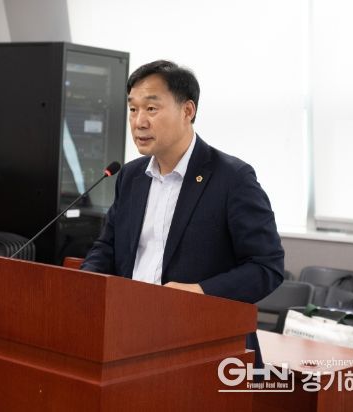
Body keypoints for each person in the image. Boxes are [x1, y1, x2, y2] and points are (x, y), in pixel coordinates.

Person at [81, 60, 284, 367]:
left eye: (151, 108)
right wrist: (84, 284)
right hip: (132, 338)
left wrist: (199, 292)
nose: (138, 121)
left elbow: (267, 267)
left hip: (206, 348)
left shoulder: (232, 178)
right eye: (133, 109)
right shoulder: (131, 177)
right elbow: (107, 247)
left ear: (187, 111)